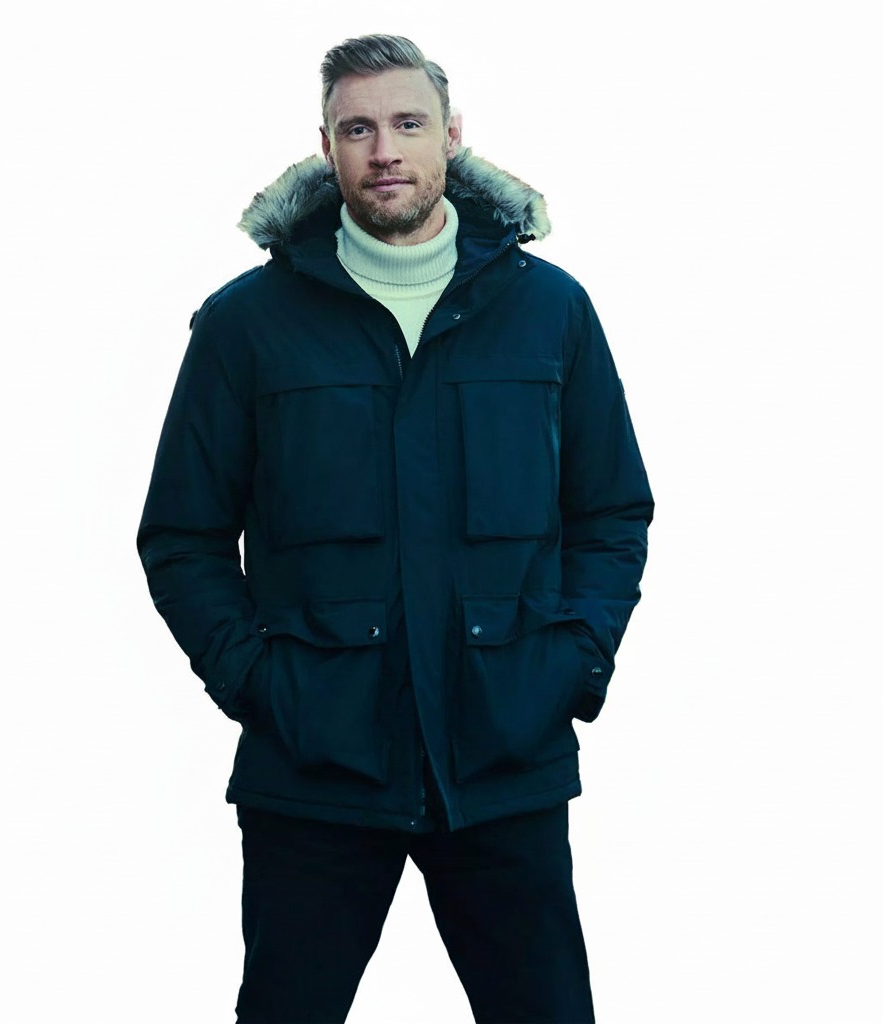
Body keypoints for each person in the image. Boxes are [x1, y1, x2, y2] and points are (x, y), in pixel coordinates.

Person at [137, 33, 653, 1024]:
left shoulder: (548, 310)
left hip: (504, 756)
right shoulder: (248, 325)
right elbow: (182, 536)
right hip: (315, 767)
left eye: (408, 124)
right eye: (358, 129)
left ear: (451, 136)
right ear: (325, 146)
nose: (385, 151)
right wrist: (261, 683)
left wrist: (572, 661)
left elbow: (610, 509)